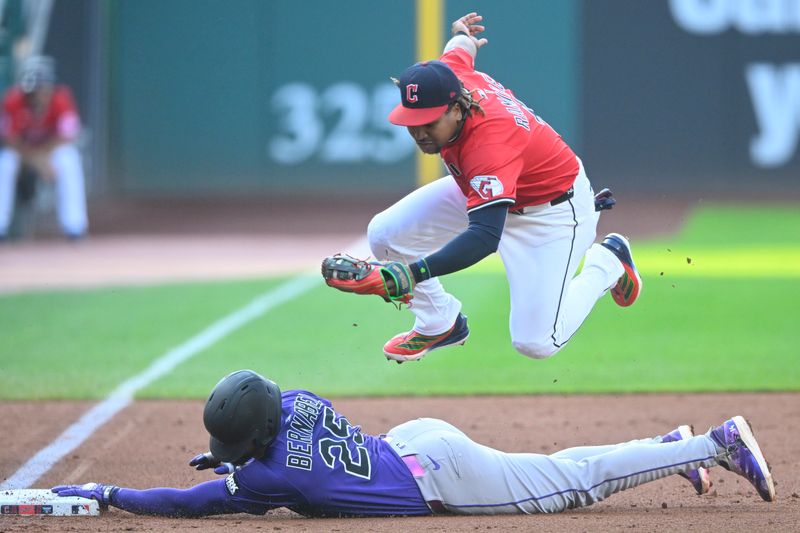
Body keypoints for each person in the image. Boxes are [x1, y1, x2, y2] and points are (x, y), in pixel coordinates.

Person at [52, 369, 776, 517]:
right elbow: (271, 443)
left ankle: (713, 444)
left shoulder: (275, 484)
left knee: (573, 482)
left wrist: (111, 493)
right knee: (561, 470)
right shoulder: (294, 401)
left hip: (443, 475)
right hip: (414, 439)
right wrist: (236, 450)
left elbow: (190, 503)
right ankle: (667, 444)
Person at [353, 13, 641, 362]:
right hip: (491, 189)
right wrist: (464, 37)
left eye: (428, 123)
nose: (419, 133)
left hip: (551, 213)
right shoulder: (449, 79)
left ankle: (607, 262)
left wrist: (411, 274)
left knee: (536, 342)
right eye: (411, 123)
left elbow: (485, 237)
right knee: (385, 234)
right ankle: (439, 322)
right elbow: (457, 53)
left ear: (457, 108)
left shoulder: (490, 143)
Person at [0, 55, 88, 240]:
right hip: (23, 153)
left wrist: (43, 157)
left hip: (48, 153)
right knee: (5, 162)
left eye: (44, 88)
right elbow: (8, 139)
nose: (40, 94)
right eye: (35, 90)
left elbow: (68, 136)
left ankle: (75, 227)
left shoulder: (61, 99)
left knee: (69, 158)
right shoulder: (12, 101)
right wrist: (34, 159)